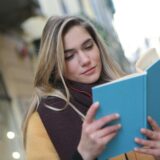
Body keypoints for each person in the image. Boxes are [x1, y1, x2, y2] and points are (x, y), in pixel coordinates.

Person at [23, 16, 160, 160]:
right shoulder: (42, 120)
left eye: (88, 47)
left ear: (98, 46)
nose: (85, 60)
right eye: (69, 56)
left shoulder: (131, 89)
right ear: (55, 66)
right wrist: (83, 155)